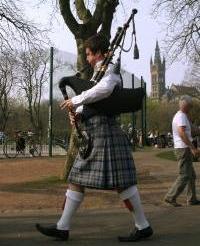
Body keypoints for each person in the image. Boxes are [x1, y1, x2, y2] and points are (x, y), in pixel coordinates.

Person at [35, 33, 153, 242]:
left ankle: (143, 226)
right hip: (95, 134)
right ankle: (63, 227)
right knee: (76, 178)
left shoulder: (110, 71)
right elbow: (93, 102)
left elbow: (104, 91)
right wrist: (78, 115)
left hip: (106, 134)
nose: (87, 58)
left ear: (99, 53)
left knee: (122, 183)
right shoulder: (97, 74)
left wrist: (76, 100)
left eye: (90, 54)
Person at [164, 95, 200, 207]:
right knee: (184, 175)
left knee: (191, 175)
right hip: (183, 148)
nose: (191, 108)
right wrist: (192, 148)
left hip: (183, 148)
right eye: (190, 106)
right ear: (186, 105)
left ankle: (192, 199)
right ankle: (170, 197)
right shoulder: (181, 117)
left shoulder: (183, 116)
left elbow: (192, 131)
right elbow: (182, 133)